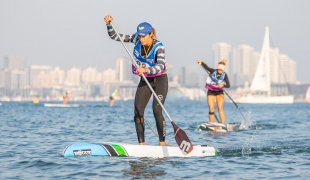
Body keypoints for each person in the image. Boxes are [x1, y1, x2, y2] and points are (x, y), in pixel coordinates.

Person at [104, 15, 168, 146]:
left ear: (151, 34)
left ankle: (162, 143)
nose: (141, 38)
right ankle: (142, 144)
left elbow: (161, 66)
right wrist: (109, 25)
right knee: (138, 112)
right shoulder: (136, 39)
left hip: (160, 80)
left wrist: (146, 70)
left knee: (157, 110)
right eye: (139, 36)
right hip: (145, 81)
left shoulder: (159, 47)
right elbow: (115, 37)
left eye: (144, 36)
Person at [197, 59, 230, 125]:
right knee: (211, 108)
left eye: (221, 70)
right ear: (218, 68)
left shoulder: (224, 75)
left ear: (223, 69)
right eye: (219, 69)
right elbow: (206, 67)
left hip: (219, 92)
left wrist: (222, 85)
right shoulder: (212, 71)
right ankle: (211, 123)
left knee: (220, 107)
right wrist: (201, 63)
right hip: (211, 91)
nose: (220, 71)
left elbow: (228, 85)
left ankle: (223, 124)